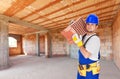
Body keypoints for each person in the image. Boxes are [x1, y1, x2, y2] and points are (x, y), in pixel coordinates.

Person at [72, 14, 101, 79]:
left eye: (92, 24)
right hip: (81, 70)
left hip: (90, 73)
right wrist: (73, 27)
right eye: (88, 24)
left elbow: (86, 55)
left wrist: (79, 43)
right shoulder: (84, 36)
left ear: (96, 27)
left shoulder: (95, 39)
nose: (90, 26)